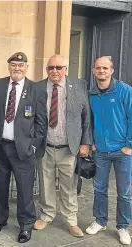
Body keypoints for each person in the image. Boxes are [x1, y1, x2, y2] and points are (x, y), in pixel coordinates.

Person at [0, 52, 47, 243]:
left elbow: (41, 122)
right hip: (0, 148)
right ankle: (0, 219)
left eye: (21, 65)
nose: (17, 68)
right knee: (0, 186)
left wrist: (33, 145)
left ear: (26, 68)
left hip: (23, 149)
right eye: (13, 64)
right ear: (9, 67)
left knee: (24, 190)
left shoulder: (35, 89)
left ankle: (26, 225)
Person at [33, 55, 92, 237]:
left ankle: (71, 220)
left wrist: (85, 142)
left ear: (66, 68)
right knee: (46, 183)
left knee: (69, 186)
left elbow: (86, 117)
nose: (55, 71)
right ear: (46, 70)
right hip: (46, 147)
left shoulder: (79, 85)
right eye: (51, 68)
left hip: (69, 147)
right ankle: (47, 214)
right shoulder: (38, 87)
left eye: (59, 67)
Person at [85, 56, 132, 245]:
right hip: (101, 151)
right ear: (94, 71)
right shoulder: (91, 93)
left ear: (112, 70)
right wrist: (93, 142)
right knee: (100, 189)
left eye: (105, 68)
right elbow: (89, 121)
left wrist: (129, 145)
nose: (101, 71)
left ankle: (123, 227)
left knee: (124, 192)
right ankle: (100, 220)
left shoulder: (124, 91)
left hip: (123, 151)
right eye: (98, 68)